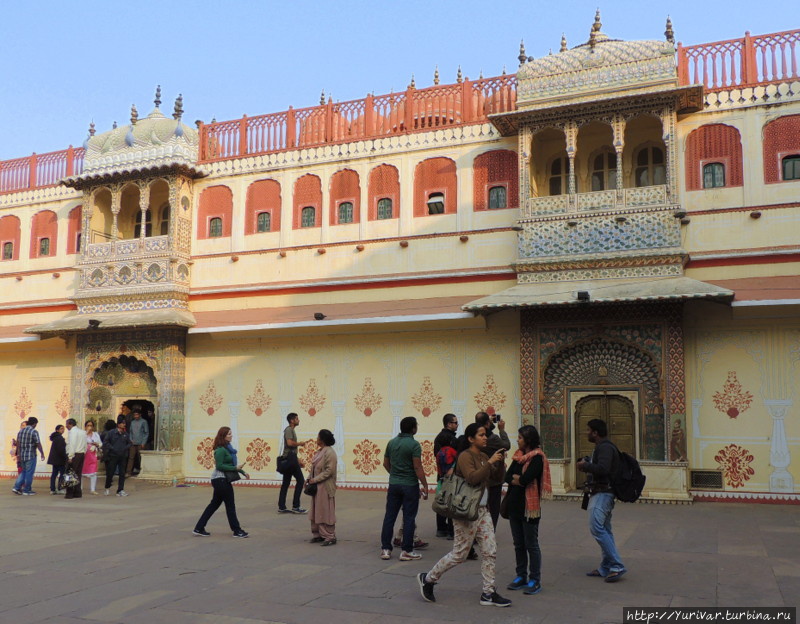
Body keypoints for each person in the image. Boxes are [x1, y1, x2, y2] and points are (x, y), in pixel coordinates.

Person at [417, 423, 511, 607]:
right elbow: (472, 478)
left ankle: (488, 592)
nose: (485, 438)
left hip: (482, 510)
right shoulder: (465, 457)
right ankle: (428, 579)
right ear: (471, 438)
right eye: (481, 435)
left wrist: (498, 463)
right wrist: (490, 462)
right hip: (465, 511)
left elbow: (495, 479)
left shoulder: (484, 456)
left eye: (485, 435)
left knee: (490, 551)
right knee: (460, 554)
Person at [577, 418, 626, 583]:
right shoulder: (602, 447)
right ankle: (606, 567)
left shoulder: (605, 448)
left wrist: (585, 466)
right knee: (605, 529)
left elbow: (603, 469)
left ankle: (617, 565)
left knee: (597, 528)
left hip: (603, 493)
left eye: (588, 430)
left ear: (595, 432)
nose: (587, 433)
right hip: (602, 492)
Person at [504, 425, 552, 595]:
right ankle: (521, 576)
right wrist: (518, 480)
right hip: (515, 507)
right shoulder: (518, 456)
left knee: (531, 544)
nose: (517, 440)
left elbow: (526, 479)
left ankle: (535, 579)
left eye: (520, 437)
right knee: (518, 543)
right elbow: (507, 477)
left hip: (529, 508)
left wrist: (519, 479)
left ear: (528, 439)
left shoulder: (538, 458)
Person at [380, 416, 429, 561]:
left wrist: (394, 475)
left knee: (390, 516)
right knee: (409, 517)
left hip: (394, 484)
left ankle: (386, 549)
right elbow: (417, 466)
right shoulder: (414, 445)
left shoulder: (392, 442)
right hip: (410, 485)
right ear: (413, 428)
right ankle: (407, 550)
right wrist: (425, 485)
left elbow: (385, 463)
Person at [193, 426, 250, 538]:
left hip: (221, 480)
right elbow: (220, 466)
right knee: (230, 505)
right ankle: (237, 530)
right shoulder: (220, 450)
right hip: (220, 480)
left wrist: (242, 472)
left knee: (214, 504)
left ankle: (199, 527)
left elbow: (231, 465)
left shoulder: (227, 449)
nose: (231, 435)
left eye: (231, 433)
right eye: (229, 434)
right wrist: (236, 469)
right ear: (223, 436)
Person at [475, 411, 511, 529]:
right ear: (486, 423)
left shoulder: (474, 435)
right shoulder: (493, 438)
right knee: (493, 506)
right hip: (493, 476)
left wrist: (488, 422)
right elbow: (506, 445)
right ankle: (490, 531)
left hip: (479, 474)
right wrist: (502, 430)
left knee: (479, 504)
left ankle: (478, 531)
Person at [307, 429, 338, 546]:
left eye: (318, 437)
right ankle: (318, 534)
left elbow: (329, 471)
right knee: (316, 510)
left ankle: (329, 536)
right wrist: (309, 478)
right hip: (317, 488)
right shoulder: (320, 452)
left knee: (325, 511)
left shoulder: (330, 452)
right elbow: (314, 468)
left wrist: (314, 479)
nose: (316, 439)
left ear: (322, 439)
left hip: (325, 487)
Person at [433, 413, 459, 538]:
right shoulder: (452, 439)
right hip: (451, 475)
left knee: (441, 500)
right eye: (455, 422)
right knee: (451, 502)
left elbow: (436, 455)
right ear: (449, 424)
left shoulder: (438, 437)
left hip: (441, 474)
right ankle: (451, 530)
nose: (457, 425)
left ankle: (441, 528)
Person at [278, 412, 308, 514]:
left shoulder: (290, 430)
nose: (298, 420)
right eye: (297, 419)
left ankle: (282, 506)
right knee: (300, 480)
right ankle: (296, 506)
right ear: (292, 420)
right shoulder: (289, 430)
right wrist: (301, 443)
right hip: (290, 460)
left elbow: (292, 450)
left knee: (285, 483)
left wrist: (298, 460)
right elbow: (290, 444)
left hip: (290, 459)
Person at [12, 417, 45, 495]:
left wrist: (19, 455)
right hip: (31, 455)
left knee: (23, 472)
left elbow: (18, 444)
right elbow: (38, 443)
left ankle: (16, 487)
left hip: (22, 455)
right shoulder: (34, 431)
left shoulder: (21, 431)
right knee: (29, 473)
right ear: (34, 424)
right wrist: (42, 453)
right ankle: (27, 490)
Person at [103, 420, 132, 497]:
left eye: (124, 423)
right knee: (110, 472)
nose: (124, 425)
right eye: (122, 423)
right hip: (113, 455)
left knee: (122, 473)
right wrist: (112, 448)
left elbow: (129, 443)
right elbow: (106, 442)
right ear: (118, 424)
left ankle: (120, 490)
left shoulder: (125, 434)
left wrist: (125, 448)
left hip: (122, 456)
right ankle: (107, 487)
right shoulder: (112, 433)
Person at [64, 418, 87, 499]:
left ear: (70, 424)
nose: (66, 426)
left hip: (74, 455)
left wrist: (70, 456)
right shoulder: (82, 432)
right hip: (81, 454)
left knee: (70, 474)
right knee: (77, 474)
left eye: (67, 424)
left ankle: (69, 493)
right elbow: (85, 444)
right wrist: (84, 452)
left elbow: (72, 444)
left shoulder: (72, 432)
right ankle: (77, 492)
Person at [127, 408, 149, 476]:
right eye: (134, 415)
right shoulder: (132, 422)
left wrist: (143, 442)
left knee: (140, 458)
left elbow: (146, 433)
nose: (136, 416)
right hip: (133, 443)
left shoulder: (143, 422)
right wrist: (131, 439)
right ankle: (128, 472)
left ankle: (142, 471)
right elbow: (130, 432)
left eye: (137, 415)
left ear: (140, 415)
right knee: (131, 457)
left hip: (140, 443)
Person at [83, 420, 103, 495]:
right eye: (88, 425)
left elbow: (101, 443)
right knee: (82, 471)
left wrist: (97, 444)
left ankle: (93, 489)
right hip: (85, 454)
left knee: (94, 472)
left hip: (93, 454)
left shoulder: (96, 434)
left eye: (91, 425)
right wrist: (86, 434)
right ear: (85, 426)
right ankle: (80, 488)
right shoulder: (83, 434)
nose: (89, 427)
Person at [47, 425, 67, 495]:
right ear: (57, 430)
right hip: (60, 460)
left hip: (54, 460)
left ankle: (52, 489)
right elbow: (61, 450)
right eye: (61, 429)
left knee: (54, 474)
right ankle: (60, 488)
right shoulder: (60, 438)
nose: (63, 430)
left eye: (63, 429)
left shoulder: (55, 438)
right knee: (61, 474)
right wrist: (66, 457)